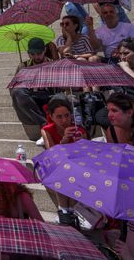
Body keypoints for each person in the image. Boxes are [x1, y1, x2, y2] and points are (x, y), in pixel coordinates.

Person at [40, 96, 88, 227]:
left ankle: (70, 211)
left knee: (71, 170)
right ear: (52, 116)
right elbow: (52, 154)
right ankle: (65, 211)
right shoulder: (47, 130)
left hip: (77, 166)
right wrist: (64, 141)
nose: (64, 120)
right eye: (59, 117)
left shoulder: (79, 129)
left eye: (67, 115)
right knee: (61, 170)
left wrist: (82, 143)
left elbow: (87, 156)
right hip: (56, 166)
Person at [10, 37, 55, 140]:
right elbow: (13, 88)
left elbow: (61, 86)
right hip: (31, 97)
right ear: (29, 53)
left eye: (39, 53)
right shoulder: (23, 66)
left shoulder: (53, 64)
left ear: (44, 50)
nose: (36, 57)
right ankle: (44, 123)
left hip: (49, 96)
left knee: (61, 98)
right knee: (17, 92)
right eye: (32, 54)